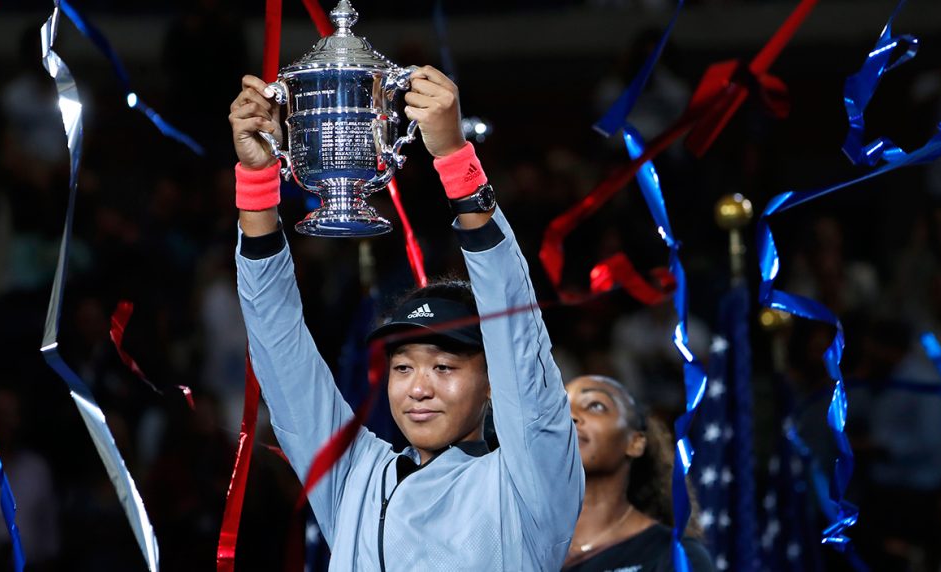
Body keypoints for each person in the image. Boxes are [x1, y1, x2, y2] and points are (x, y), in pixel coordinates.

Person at [228, 65, 583, 570]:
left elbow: (517, 338)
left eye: (444, 367)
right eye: (403, 367)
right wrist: (259, 184)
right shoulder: (354, 477)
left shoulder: (529, 482)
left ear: (490, 382)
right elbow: (277, 344)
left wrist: (456, 161)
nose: (418, 388)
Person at [563, 375, 714, 572]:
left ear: (635, 443)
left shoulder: (675, 555)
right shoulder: (517, 545)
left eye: (595, 405)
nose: (569, 415)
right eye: (559, 407)